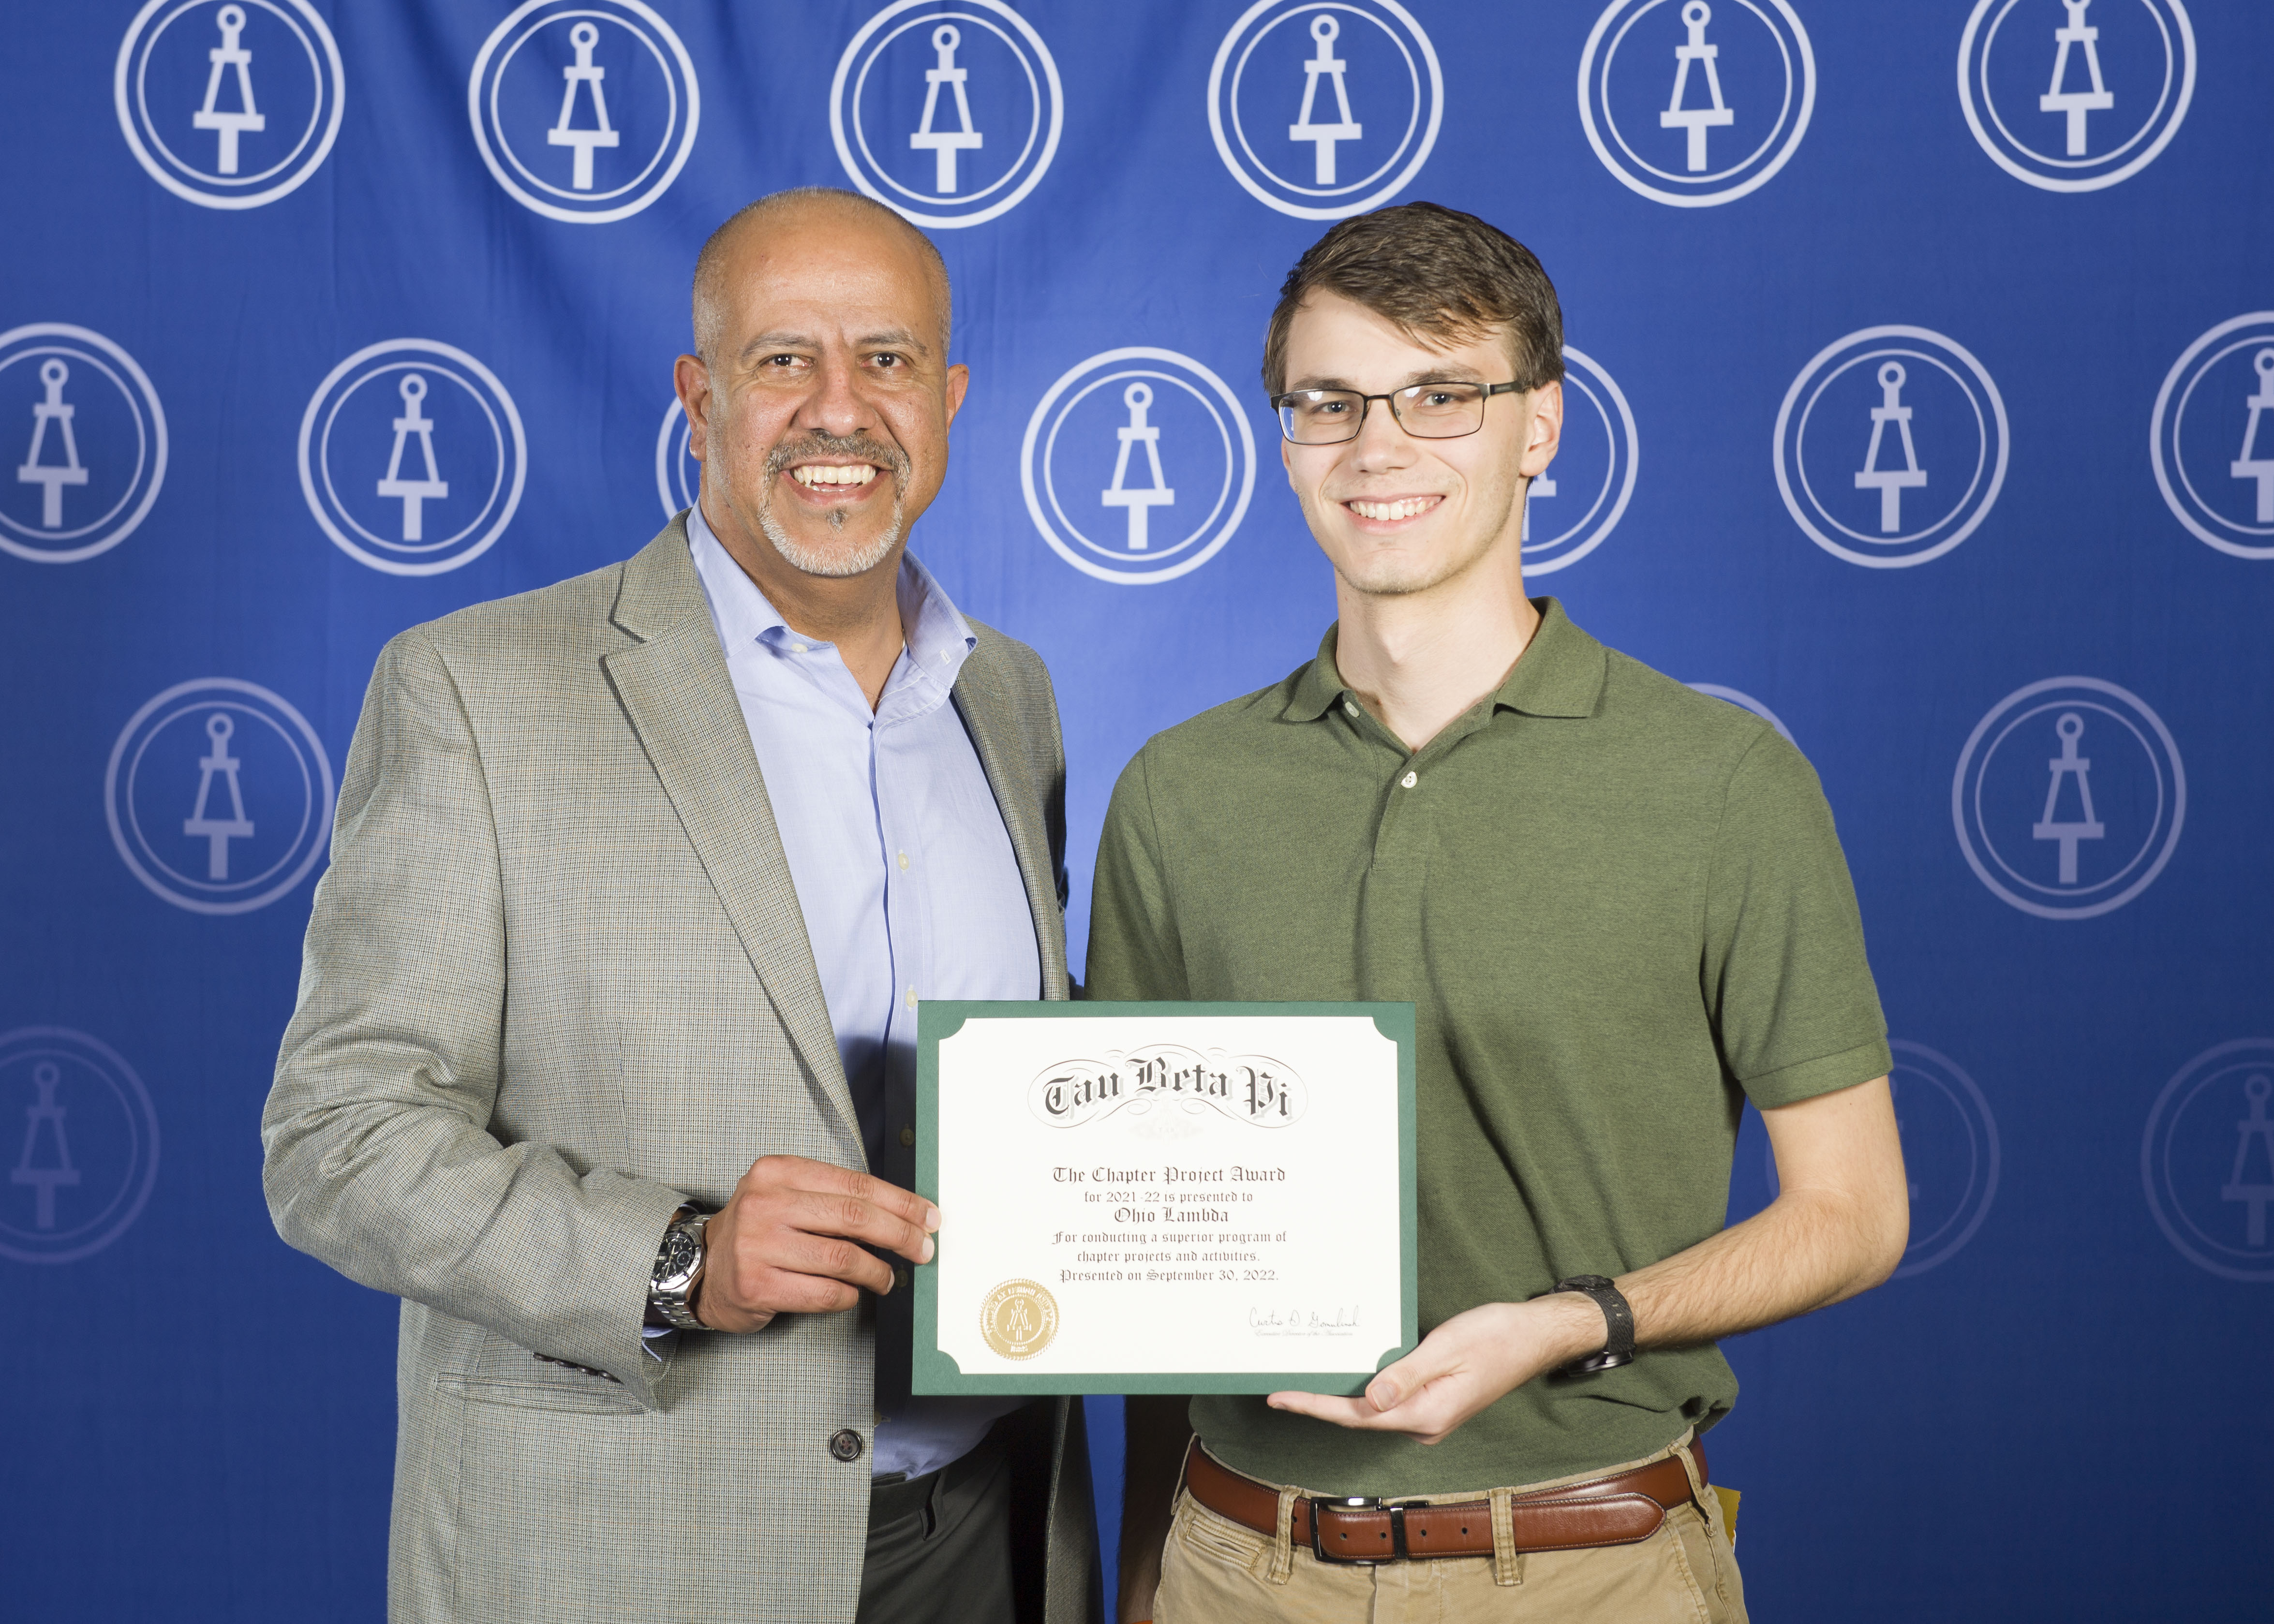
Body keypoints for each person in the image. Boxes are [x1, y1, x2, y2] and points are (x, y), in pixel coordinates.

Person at [262, 188, 1100, 1624]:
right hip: (631, 1552)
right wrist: (675, 1261)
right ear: (697, 395)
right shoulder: (477, 689)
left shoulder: (1008, 698)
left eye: (886, 360)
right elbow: (337, 1137)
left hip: (988, 1539)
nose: (841, 410)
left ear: (949, 398)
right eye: (785, 360)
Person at [1090, 202, 1909, 1624]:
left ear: (1541, 426)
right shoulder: (1178, 791)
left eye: (1440, 395)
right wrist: (1146, 1574)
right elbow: (1150, 1246)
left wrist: (1570, 1323)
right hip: (1237, 1563)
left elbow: (1855, 1213)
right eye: (1328, 402)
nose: (1377, 448)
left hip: (1588, 1570)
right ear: (1283, 438)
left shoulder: (1721, 781)